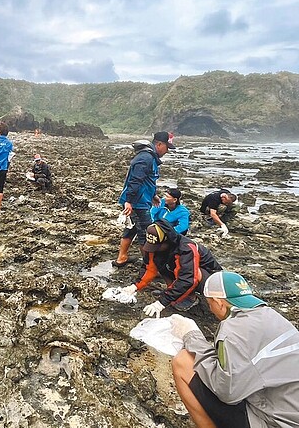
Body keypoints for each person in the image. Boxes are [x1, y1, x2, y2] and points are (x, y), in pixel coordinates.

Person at [170, 271, 299, 427]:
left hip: (274, 422)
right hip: (290, 410)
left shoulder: (232, 330)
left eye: (210, 304)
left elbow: (228, 391)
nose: (210, 309)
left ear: (218, 302)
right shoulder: (273, 316)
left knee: (183, 361)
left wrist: (191, 335)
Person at [120, 219, 222, 317]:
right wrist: (135, 286)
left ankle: (190, 298)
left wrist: (161, 302)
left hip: (210, 277)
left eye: (158, 246)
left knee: (193, 273)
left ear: (167, 241)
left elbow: (188, 279)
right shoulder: (155, 247)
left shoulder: (186, 249)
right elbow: (149, 268)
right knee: (161, 263)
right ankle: (172, 293)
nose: (154, 250)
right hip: (183, 272)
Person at [113, 131, 175, 267]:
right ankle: (150, 266)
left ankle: (121, 258)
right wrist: (128, 201)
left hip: (140, 200)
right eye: (167, 148)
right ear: (159, 144)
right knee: (146, 234)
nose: (167, 151)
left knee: (132, 228)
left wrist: (153, 195)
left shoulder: (150, 158)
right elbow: (135, 181)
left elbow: (146, 180)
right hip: (137, 203)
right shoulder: (145, 158)